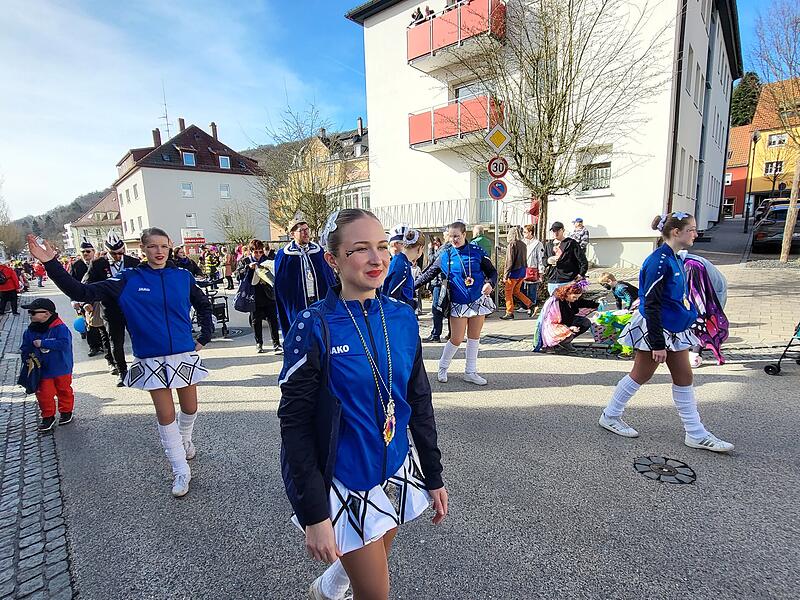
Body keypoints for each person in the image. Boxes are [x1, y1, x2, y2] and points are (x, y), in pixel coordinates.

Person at [278, 208, 447, 600]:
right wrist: (314, 514)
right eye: (361, 249)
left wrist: (433, 473)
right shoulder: (313, 325)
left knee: (378, 545)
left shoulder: (402, 317)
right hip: (346, 476)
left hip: (394, 463)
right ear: (333, 259)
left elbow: (418, 400)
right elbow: (295, 425)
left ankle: (327, 588)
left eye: (383, 246)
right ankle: (332, 585)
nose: (377, 259)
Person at [29, 229, 214, 496]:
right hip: (151, 357)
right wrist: (50, 263)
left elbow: (204, 305)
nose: (159, 251)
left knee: (190, 407)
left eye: (164, 246)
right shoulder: (127, 279)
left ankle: (184, 440)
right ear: (142, 249)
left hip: (183, 354)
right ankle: (180, 469)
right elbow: (81, 290)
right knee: (166, 415)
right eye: (153, 246)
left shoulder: (182, 277)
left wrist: (205, 335)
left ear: (170, 247)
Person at [598, 213, 734, 453]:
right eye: (691, 229)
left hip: (672, 326)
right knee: (641, 374)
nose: (696, 234)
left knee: (684, 377)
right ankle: (610, 415)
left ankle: (695, 432)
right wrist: (657, 343)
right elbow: (651, 303)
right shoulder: (659, 262)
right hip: (657, 326)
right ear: (676, 232)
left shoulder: (674, 258)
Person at [416, 220, 497, 385]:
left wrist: (490, 283)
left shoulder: (477, 251)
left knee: (474, 337)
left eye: (457, 236)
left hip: (477, 299)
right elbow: (428, 274)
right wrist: (409, 287)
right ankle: (442, 367)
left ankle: (470, 372)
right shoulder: (445, 255)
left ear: (464, 234)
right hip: (458, 302)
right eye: (451, 236)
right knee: (457, 338)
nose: (454, 240)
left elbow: (492, 272)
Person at [85, 231, 140, 386]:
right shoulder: (98, 264)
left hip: (132, 308)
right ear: (107, 251)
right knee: (116, 341)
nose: (118, 256)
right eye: (114, 253)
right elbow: (87, 284)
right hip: (110, 309)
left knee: (139, 338)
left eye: (120, 252)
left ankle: (142, 366)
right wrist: (87, 301)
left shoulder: (133, 262)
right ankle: (122, 371)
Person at [274, 217, 336, 337]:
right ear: (292, 234)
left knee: (323, 331)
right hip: (297, 303)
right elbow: (281, 286)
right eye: (301, 230)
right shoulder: (284, 255)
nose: (306, 233)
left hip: (320, 299)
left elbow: (328, 278)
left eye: (307, 229)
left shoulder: (318, 252)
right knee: (301, 334)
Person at [20, 298, 74, 432]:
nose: (30, 315)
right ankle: (48, 416)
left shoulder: (60, 328)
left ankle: (66, 411)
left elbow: (64, 344)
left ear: (47, 314)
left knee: (64, 390)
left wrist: (43, 343)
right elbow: (25, 347)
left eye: (33, 312)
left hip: (61, 367)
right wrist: (27, 359)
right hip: (42, 370)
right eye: (30, 312)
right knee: (44, 394)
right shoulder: (30, 330)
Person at [237, 239, 282, 354]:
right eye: (256, 252)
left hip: (268, 294)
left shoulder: (267, 260)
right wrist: (248, 268)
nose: (258, 254)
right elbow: (238, 275)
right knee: (256, 321)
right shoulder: (245, 261)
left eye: (260, 252)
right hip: (253, 295)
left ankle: (276, 343)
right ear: (251, 251)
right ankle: (259, 343)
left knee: (273, 319)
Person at [683, 254, 729, 366]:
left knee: (704, 318)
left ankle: (696, 353)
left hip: (712, 291)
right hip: (696, 284)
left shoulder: (691, 266)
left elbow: (699, 306)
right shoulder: (674, 263)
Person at [534, 282, 598, 353]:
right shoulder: (555, 303)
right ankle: (552, 344)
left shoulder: (570, 299)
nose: (576, 299)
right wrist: (569, 328)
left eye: (577, 297)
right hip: (551, 326)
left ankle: (564, 342)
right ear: (567, 294)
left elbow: (581, 302)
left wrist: (597, 304)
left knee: (585, 322)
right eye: (574, 297)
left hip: (566, 321)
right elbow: (551, 323)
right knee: (568, 334)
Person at [383, 228, 426, 309]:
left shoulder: (403, 262)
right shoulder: (402, 265)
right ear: (420, 248)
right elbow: (391, 296)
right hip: (398, 313)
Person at [544, 221, 588, 296]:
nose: (555, 233)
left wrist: (580, 274)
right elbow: (543, 260)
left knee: (568, 302)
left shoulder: (571, 243)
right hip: (552, 281)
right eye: (553, 231)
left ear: (563, 230)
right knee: (554, 302)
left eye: (558, 230)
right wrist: (548, 261)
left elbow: (583, 261)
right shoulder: (549, 245)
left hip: (567, 280)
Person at [500, 226, 535, 320]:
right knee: (516, 291)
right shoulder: (523, 244)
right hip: (522, 271)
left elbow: (509, 261)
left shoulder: (512, 244)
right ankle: (530, 304)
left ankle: (509, 312)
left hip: (514, 272)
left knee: (508, 292)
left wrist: (505, 275)